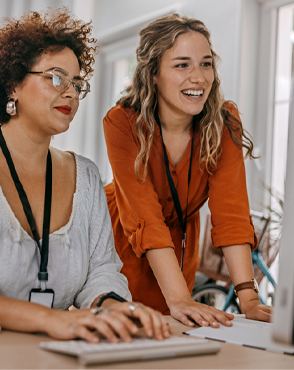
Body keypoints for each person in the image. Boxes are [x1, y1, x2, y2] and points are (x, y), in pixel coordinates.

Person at [0, 8, 170, 343]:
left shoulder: (85, 175)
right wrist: (49, 319)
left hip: (46, 355)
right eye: (56, 78)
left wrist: (114, 308)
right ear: (13, 84)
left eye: (77, 83)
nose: (71, 92)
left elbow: (101, 273)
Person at [103, 14, 272, 328]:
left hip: (180, 247)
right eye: (183, 65)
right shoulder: (122, 122)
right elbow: (145, 218)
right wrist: (179, 298)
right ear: (153, 73)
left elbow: (231, 213)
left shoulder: (224, 122)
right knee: (130, 336)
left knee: (179, 334)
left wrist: (248, 297)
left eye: (206, 64)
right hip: (122, 243)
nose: (199, 77)